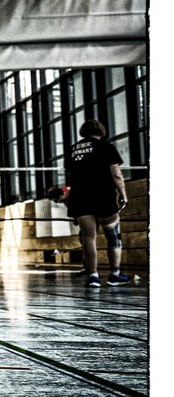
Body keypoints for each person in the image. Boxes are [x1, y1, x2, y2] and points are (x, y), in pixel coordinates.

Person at [63, 119, 132, 288]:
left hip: (80, 197)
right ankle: (114, 274)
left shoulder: (73, 149)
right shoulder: (106, 147)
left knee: (88, 237)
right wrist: (123, 194)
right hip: (103, 195)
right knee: (113, 235)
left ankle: (93, 276)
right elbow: (116, 174)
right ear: (101, 130)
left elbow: (71, 175)